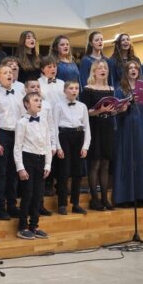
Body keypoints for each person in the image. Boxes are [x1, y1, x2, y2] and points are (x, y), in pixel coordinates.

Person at [112, 59, 143, 206]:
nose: (133, 70)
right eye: (130, 68)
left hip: (141, 125)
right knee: (127, 158)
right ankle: (126, 197)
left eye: (135, 67)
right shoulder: (119, 89)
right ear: (126, 71)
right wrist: (126, 105)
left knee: (142, 157)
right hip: (126, 125)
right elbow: (115, 110)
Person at [14, 91, 55, 240]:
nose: (39, 103)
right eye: (35, 100)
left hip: (41, 159)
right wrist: (20, 167)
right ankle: (22, 227)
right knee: (28, 194)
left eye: (40, 101)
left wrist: (48, 164)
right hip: (27, 159)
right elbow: (17, 147)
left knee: (38, 195)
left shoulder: (43, 121)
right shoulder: (22, 123)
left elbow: (47, 144)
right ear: (26, 104)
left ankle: (34, 225)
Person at [81, 58, 117, 211]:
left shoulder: (110, 88)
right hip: (94, 127)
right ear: (94, 71)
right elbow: (85, 112)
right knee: (95, 163)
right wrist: (99, 110)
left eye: (105, 68)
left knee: (105, 164)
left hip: (107, 126)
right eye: (100, 68)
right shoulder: (88, 88)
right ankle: (94, 199)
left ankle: (104, 198)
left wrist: (116, 110)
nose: (103, 70)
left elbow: (113, 109)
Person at [0, 64, 24, 219]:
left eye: (10, 72)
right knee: (2, 172)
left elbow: (23, 118)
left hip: (17, 133)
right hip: (2, 133)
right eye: (5, 73)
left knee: (13, 171)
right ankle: (0, 207)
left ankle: (12, 205)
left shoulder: (19, 94)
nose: (9, 74)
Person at [54, 79, 90, 215]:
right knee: (64, 172)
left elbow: (87, 127)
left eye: (76, 88)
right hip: (64, 136)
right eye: (71, 88)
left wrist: (85, 146)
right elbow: (54, 127)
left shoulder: (82, 106)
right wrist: (58, 147)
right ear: (64, 91)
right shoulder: (58, 106)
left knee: (78, 172)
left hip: (79, 136)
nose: (74, 91)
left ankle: (75, 203)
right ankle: (62, 204)